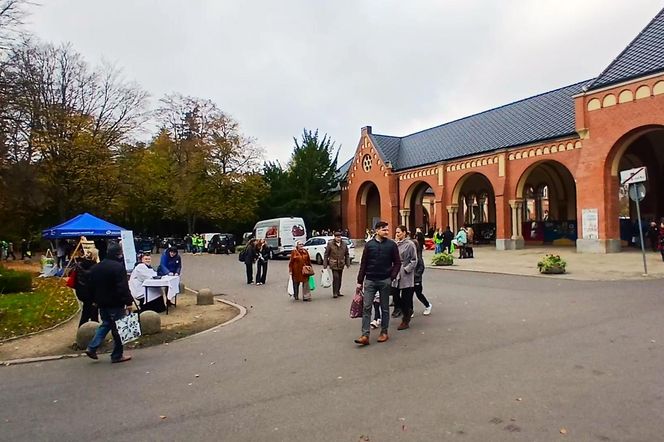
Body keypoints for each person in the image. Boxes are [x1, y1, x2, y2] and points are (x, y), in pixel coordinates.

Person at [84, 243, 134, 363]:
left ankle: (92, 347)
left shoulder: (96, 267)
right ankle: (117, 355)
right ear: (118, 254)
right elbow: (122, 287)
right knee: (118, 329)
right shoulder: (118, 267)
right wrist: (129, 302)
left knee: (106, 324)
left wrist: (94, 301)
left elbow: (91, 286)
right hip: (115, 303)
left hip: (102, 303)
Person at [354, 221, 401, 345]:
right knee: (367, 307)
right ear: (376, 231)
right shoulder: (369, 245)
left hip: (385, 280)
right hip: (369, 280)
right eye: (384, 230)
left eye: (387, 230)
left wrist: (392, 276)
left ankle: (384, 332)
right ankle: (365, 335)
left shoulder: (392, 245)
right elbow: (363, 263)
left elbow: (397, 263)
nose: (386, 232)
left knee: (385, 308)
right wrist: (359, 281)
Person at [393, 225, 418, 330]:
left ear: (404, 233)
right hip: (395, 272)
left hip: (405, 273)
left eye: (399, 232)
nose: (397, 234)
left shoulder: (410, 244)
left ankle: (405, 320)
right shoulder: (394, 244)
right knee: (395, 296)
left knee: (406, 297)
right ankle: (404, 311)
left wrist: (406, 269)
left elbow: (414, 260)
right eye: (396, 232)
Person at [74, 248, 99, 326]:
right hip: (91, 294)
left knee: (86, 312)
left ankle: (82, 330)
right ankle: (94, 332)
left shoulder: (79, 265)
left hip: (81, 292)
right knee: (93, 313)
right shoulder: (95, 267)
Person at [323, 231, 350, 298]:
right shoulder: (330, 244)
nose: (338, 238)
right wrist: (325, 265)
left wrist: (347, 263)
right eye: (337, 237)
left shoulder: (344, 244)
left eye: (339, 237)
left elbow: (346, 254)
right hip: (333, 263)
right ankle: (334, 292)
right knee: (336, 277)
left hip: (341, 263)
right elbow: (326, 255)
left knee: (340, 278)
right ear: (334, 237)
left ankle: (338, 291)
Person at [413, 236, 432, 316]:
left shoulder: (418, 257)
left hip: (416, 279)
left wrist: (416, 275)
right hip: (409, 279)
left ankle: (427, 305)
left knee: (418, 294)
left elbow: (421, 268)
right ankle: (410, 310)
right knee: (409, 295)